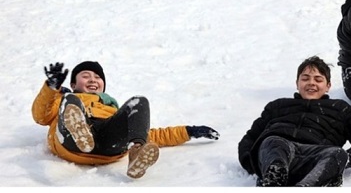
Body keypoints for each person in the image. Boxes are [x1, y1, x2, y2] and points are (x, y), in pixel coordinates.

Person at [32, 61, 220, 179]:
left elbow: (151, 133)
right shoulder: (62, 99)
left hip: (108, 145)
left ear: (103, 85)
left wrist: (189, 131)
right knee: (70, 102)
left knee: (139, 102)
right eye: (85, 76)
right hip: (70, 143)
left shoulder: (110, 108)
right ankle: (80, 132)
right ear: (73, 84)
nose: (93, 79)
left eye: (98, 77)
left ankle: (136, 152)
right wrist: (51, 87)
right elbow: (40, 116)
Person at [238, 56, 351, 187]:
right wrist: (253, 164)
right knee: (273, 141)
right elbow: (249, 140)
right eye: (305, 78)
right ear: (297, 83)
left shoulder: (340, 109)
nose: (311, 83)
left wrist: (350, 157)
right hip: (280, 151)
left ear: (328, 86)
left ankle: (309, 186)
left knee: (337, 153)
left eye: (318, 79)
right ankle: (275, 177)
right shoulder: (277, 106)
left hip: (316, 157)